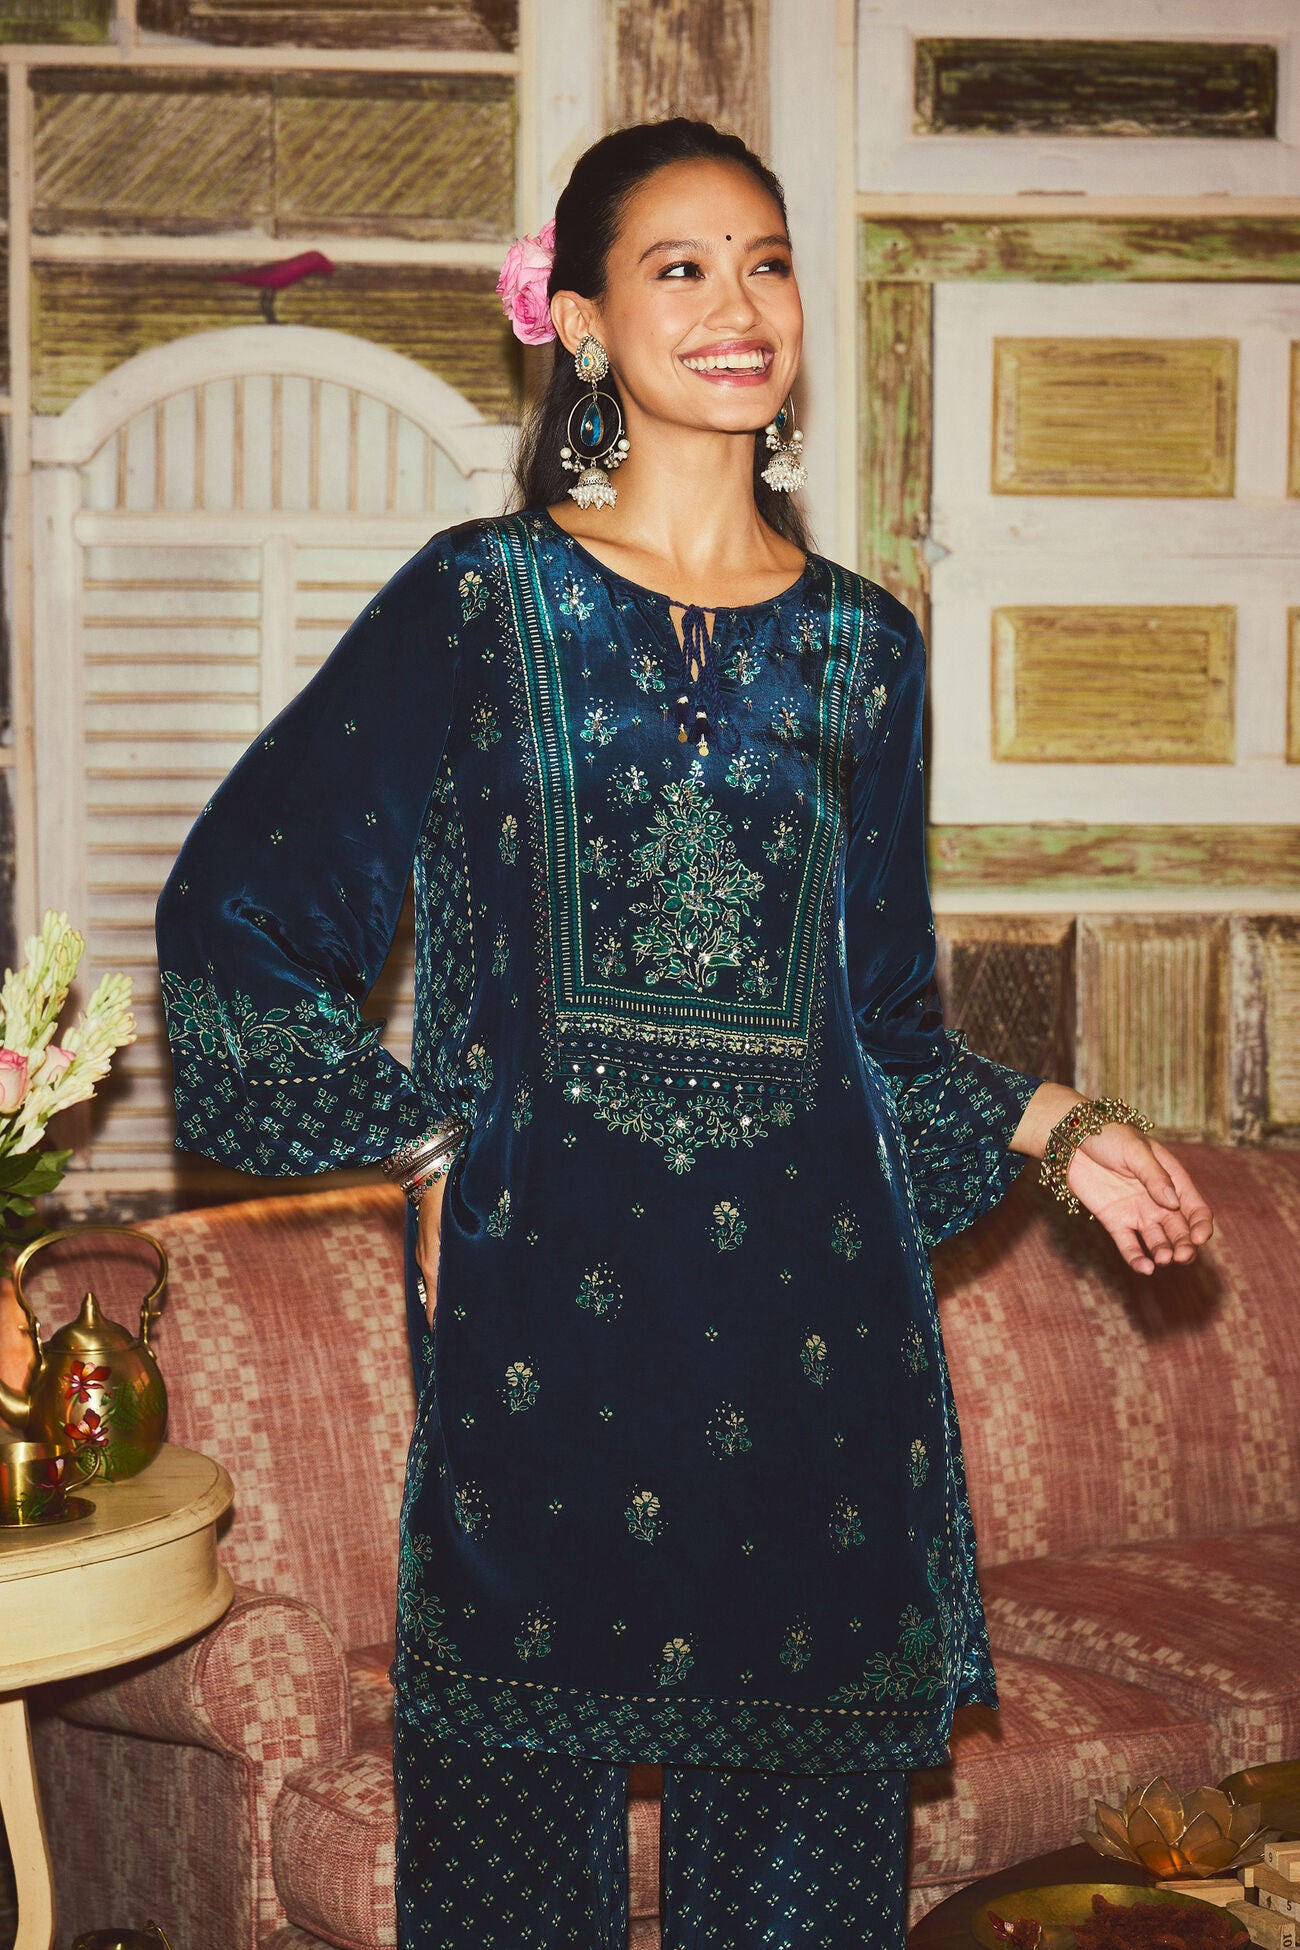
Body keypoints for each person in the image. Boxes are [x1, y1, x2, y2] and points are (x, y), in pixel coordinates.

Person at [152, 118, 1214, 1950]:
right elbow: (237, 921)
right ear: (574, 320)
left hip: (818, 1345)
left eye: (771, 261)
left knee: (802, 1904)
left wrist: (1057, 1124)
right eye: (682, 267)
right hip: (543, 1343)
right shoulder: (480, 603)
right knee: (511, 1888)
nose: (743, 305)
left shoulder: (865, 650)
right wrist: (416, 1141)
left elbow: (878, 1025)